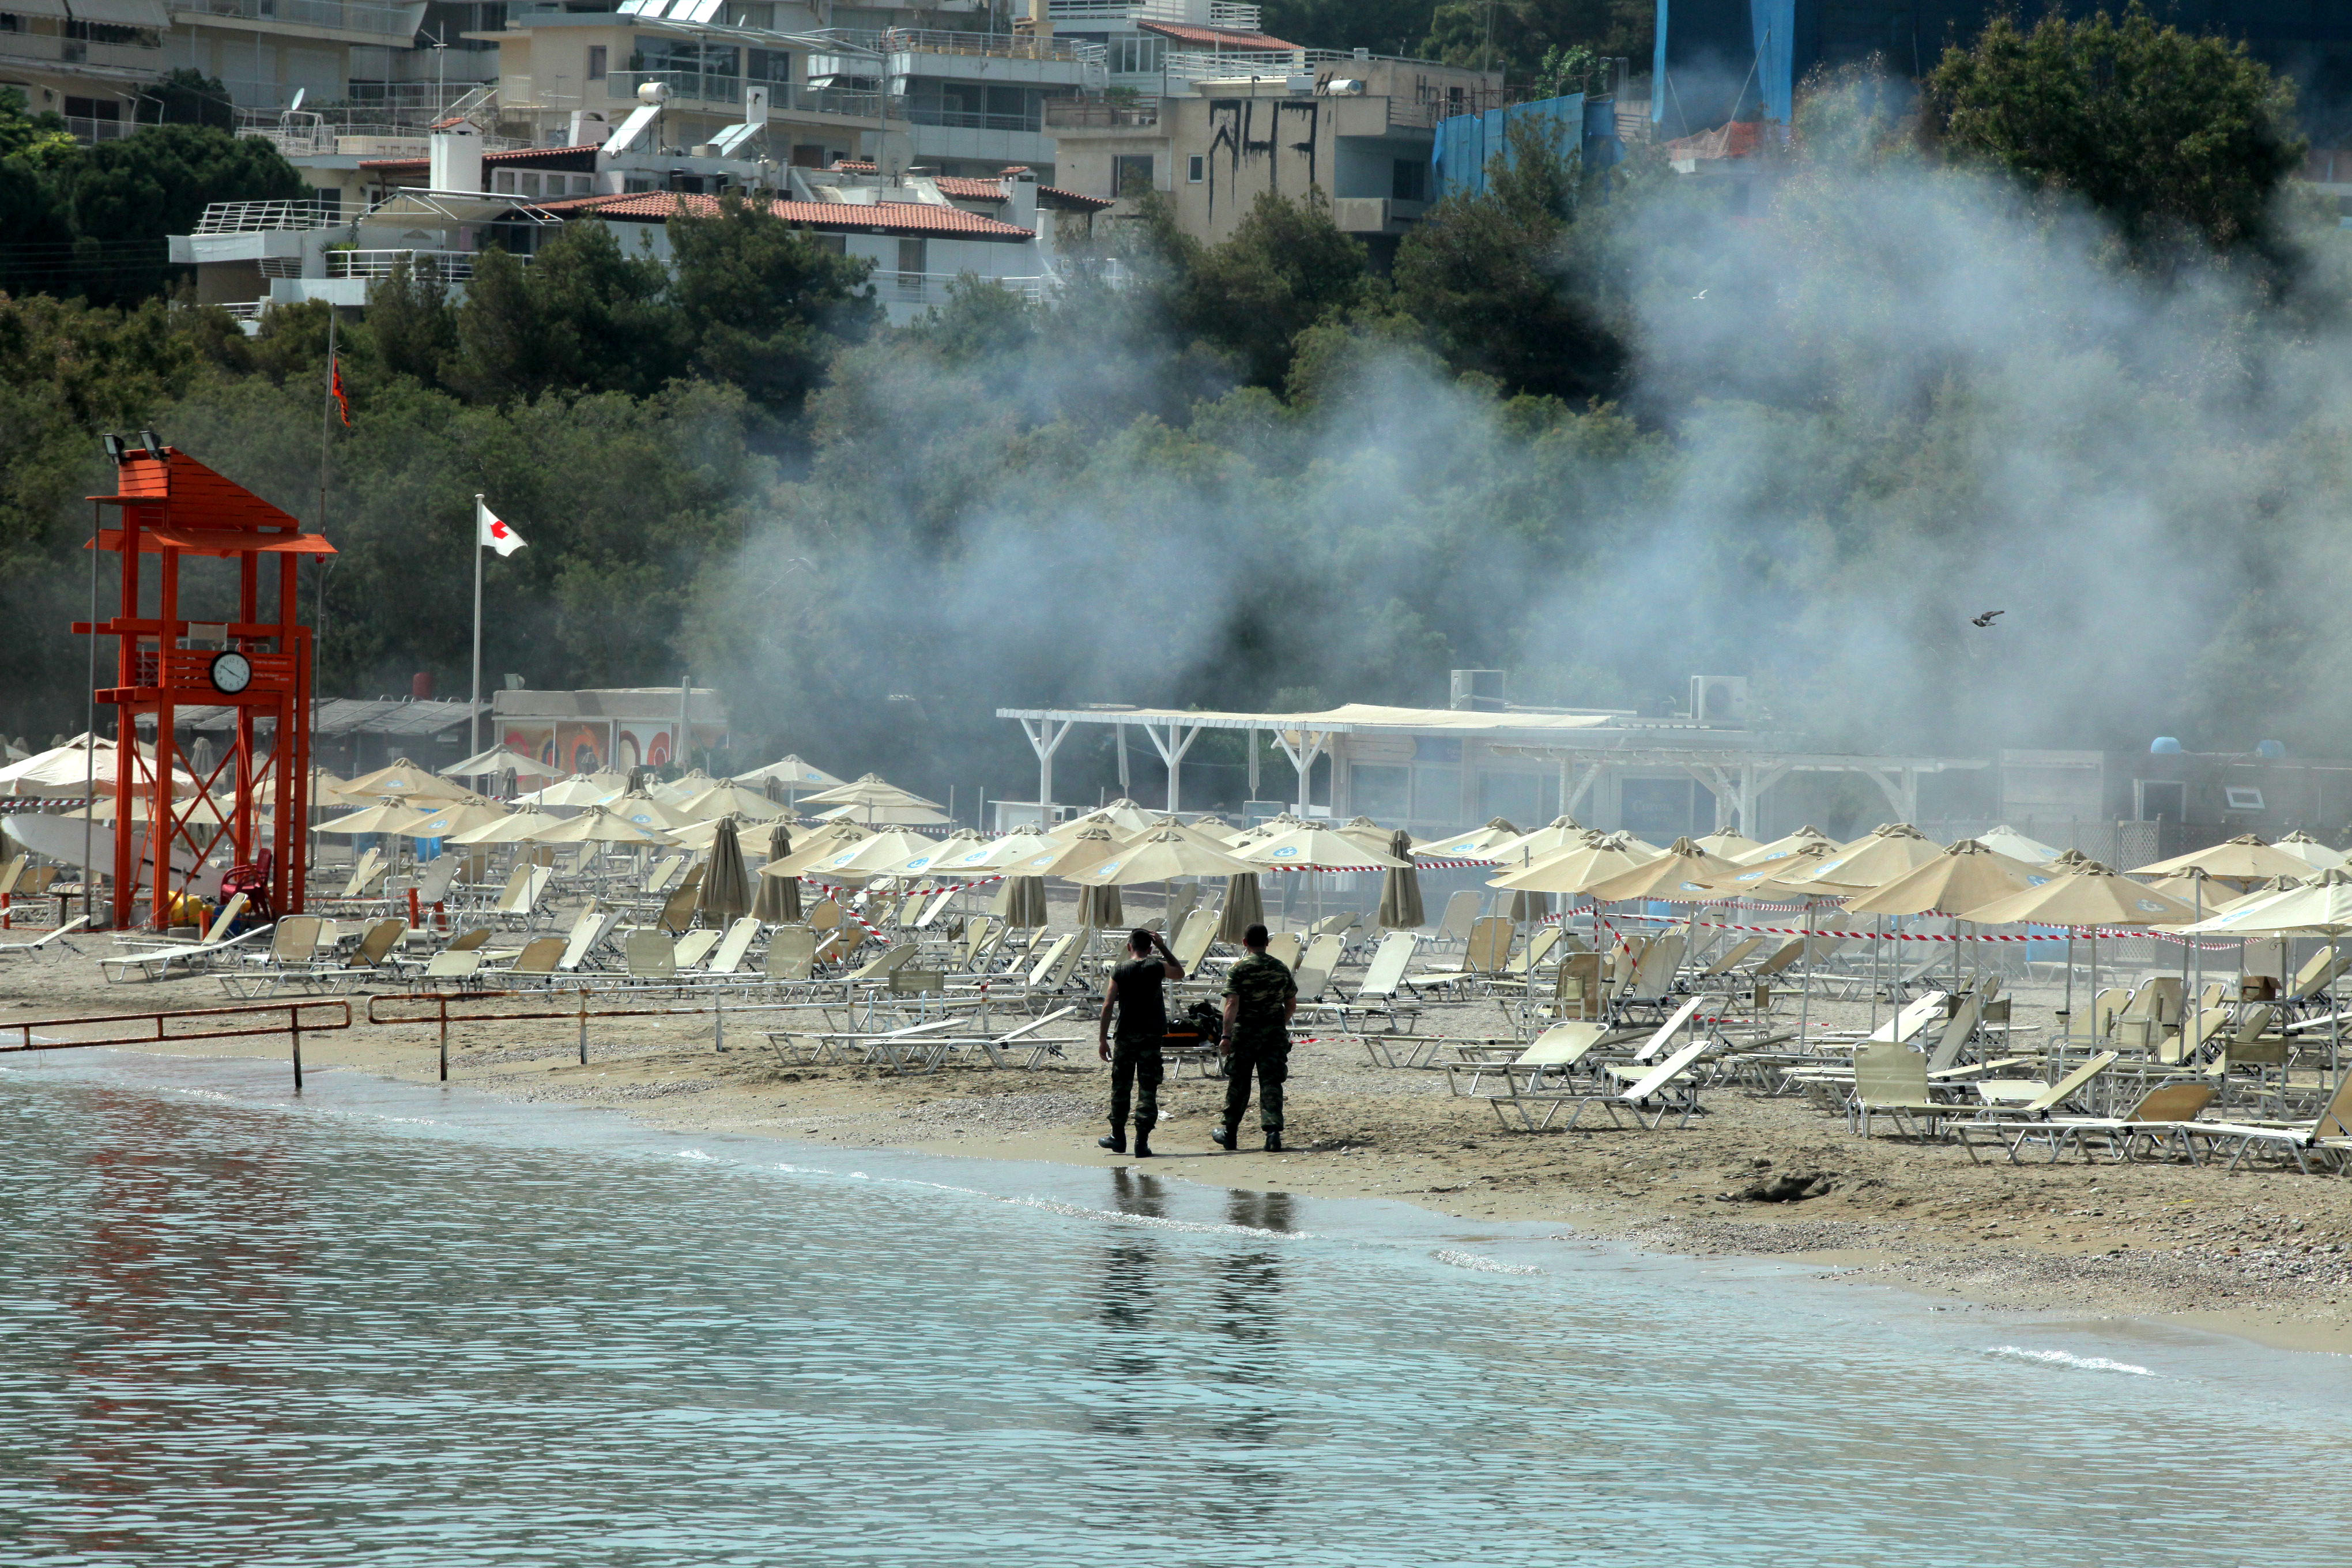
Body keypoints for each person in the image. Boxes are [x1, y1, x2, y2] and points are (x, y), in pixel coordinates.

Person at [1098, 926, 1184, 1158]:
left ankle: (1118, 1137)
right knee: (1148, 1089)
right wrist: (1164, 947)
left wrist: (1102, 1040)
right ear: (1150, 948)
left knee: (1121, 1086)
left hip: (1125, 1034)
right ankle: (1142, 1143)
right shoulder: (1156, 966)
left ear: (1129, 947)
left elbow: (1108, 1006)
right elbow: (1179, 972)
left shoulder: (1120, 969)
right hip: (1151, 1036)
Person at [1212, 922, 1298, 1152]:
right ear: (1267, 943)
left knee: (1239, 1082)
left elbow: (1232, 1003)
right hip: (1273, 1033)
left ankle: (1230, 1133)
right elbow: (1291, 1003)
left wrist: (1226, 1035)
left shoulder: (1239, 969)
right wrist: (1279, 1023)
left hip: (1245, 1033)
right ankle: (1272, 1134)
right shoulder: (1280, 968)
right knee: (1271, 1082)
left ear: (1245, 943)